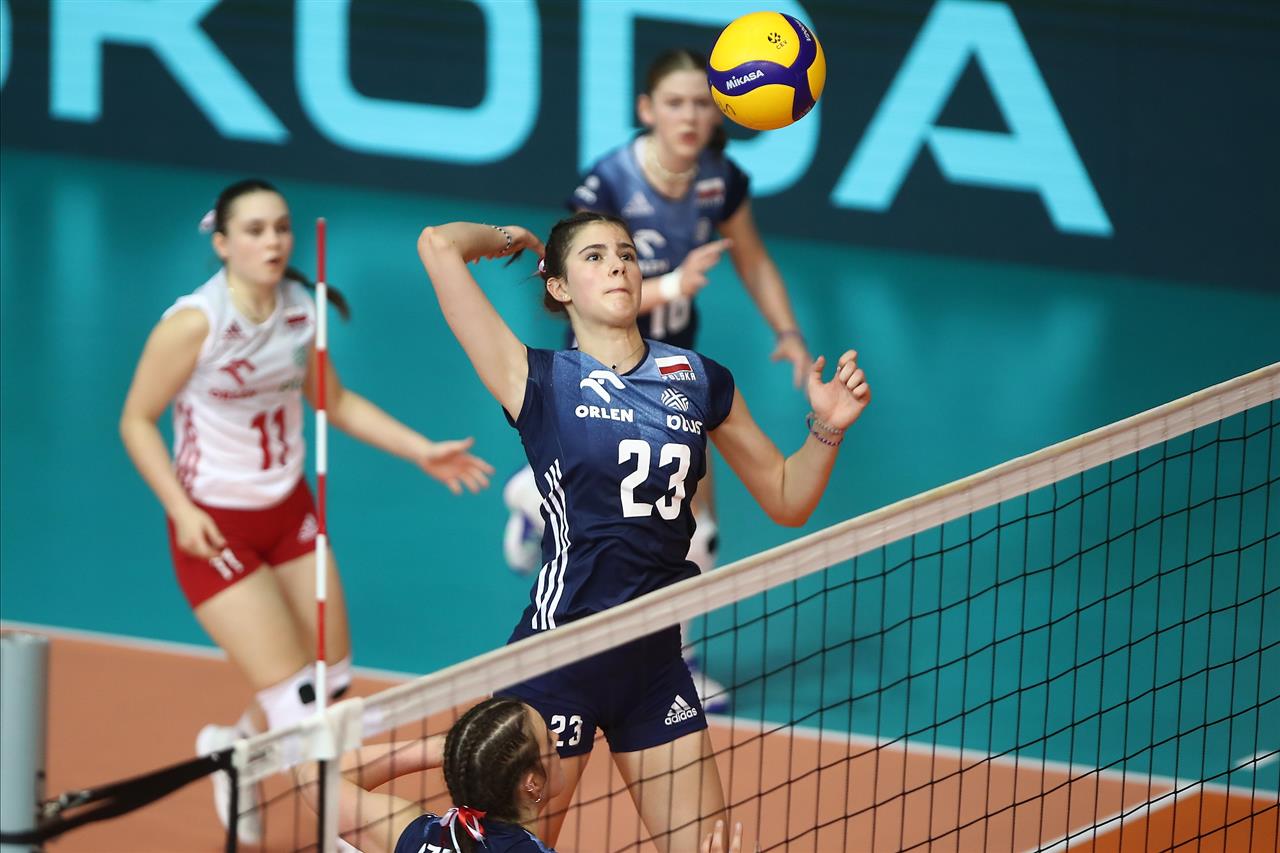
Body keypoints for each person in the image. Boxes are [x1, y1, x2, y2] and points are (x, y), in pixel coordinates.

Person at [416, 212, 870, 850]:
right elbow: (437, 244)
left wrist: (828, 428)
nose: (617, 266)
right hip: (557, 658)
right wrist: (515, 239)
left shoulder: (701, 380)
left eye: (625, 254)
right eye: (594, 257)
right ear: (560, 287)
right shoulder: (538, 378)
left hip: (654, 661)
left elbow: (787, 497)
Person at [119, 178, 494, 842]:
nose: (272, 241)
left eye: (280, 227)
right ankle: (347, 834)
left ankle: (234, 747)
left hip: (290, 511)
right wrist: (179, 507)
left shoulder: (300, 310)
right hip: (215, 526)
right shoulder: (195, 323)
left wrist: (421, 450)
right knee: (298, 707)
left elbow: (334, 401)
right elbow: (136, 420)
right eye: (255, 230)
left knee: (331, 680)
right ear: (222, 243)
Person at [502, 50, 814, 707]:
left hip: (674, 370)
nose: (690, 116)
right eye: (675, 103)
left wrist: (788, 333)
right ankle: (539, 501)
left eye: (702, 103)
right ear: (647, 109)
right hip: (600, 374)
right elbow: (570, 279)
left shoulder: (719, 180)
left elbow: (754, 260)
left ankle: (677, 655)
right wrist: (670, 284)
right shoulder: (609, 183)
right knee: (620, 520)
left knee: (699, 528)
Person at [297, 696, 743, 853]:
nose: (559, 738)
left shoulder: (416, 834)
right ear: (532, 783)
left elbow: (312, 771)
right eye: (550, 739)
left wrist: (443, 750)